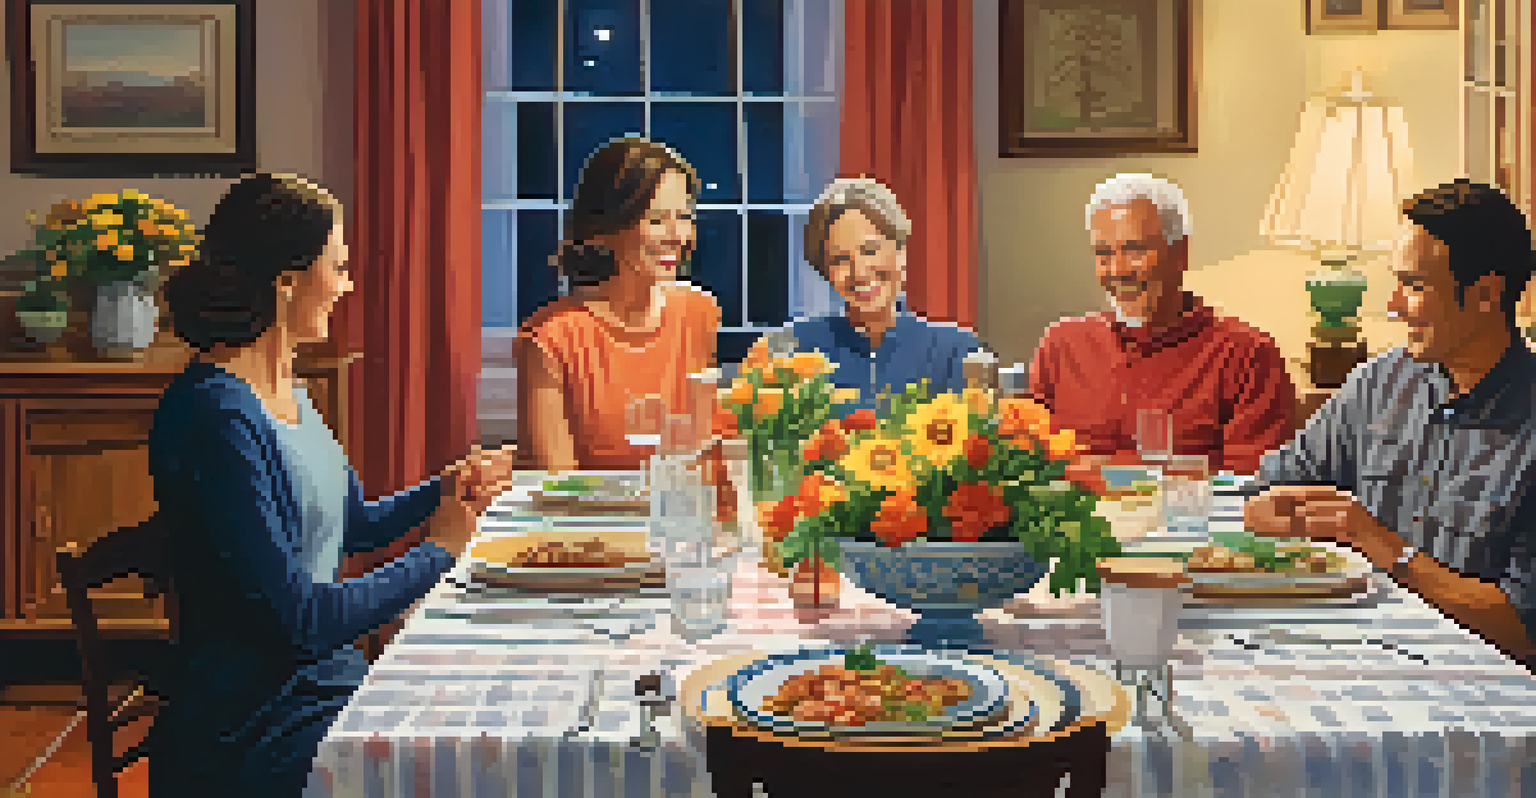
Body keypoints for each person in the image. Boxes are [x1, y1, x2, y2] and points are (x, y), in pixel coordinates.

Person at [147, 173, 515, 795]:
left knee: (489, 710)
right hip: (253, 721)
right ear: (287, 284)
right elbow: (303, 620)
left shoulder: (288, 393)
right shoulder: (218, 416)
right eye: (338, 267)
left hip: (320, 680)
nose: (346, 286)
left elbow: (355, 523)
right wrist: (440, 552)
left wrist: (446, 487)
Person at [1246, 179, 1536, 670]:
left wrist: (1379, 545)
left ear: (1486, 294)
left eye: (1416, 286)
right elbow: (1270, 488)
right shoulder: (1379, 383)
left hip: (1474, 686)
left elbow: (1523, 627)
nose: (1393, 306)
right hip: (1350, 658)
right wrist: (1280, 511)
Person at [1027, 173, 1297, 475]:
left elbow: (1251, 487)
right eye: (1103, 254)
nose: (1118, 271)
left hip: (1189, 521)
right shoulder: (1061, 344)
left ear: (1181, 253)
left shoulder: (1246, 354)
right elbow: (1029, 469)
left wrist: (1103, 472)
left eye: (1135, 251)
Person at [517, 137, 721, 470]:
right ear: (604, 229)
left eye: (684, 216)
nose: (677, 235)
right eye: (656, 220)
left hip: (680, 512)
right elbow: (559, 482)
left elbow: (706, 452)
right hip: (587, 519)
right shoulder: (549, 338)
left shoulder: (699, 313)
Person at [745, 176, 983, 409]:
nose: (859, 272)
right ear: (825, 271)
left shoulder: (957, 352)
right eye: (840, 260)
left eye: (870, 250)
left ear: (900, 252)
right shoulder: (788, 348)